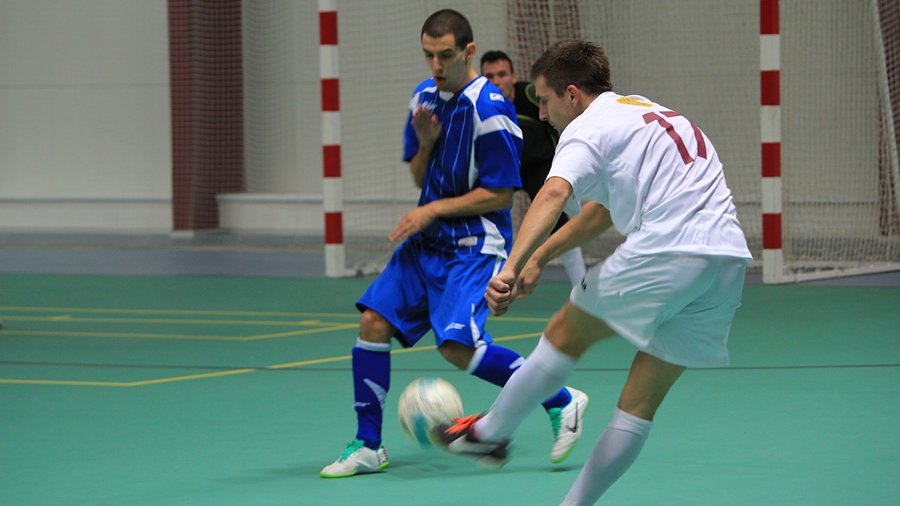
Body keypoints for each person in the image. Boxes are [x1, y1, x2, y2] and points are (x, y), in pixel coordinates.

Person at [434, 39, 753, 505]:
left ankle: (488, 433)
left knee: (566, 332)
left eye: (545, 100)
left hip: (669, 247)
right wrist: (540, 257)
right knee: (638, 405)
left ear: (572, 94)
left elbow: (552, 194)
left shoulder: (587, 127)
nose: (542, 113)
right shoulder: (644, 113)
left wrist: (509, 267)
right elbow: (598, 215)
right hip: (726, 262)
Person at [319, 11, 588, 479]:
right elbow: (419, 177)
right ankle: (368, 445)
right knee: (373, 322)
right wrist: (425, 144)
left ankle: (561, 399)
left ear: (468, 51)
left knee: (458, 346)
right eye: (428, 55)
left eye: (445, 55)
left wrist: (430, 211)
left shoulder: (490, 109)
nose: (436, 65)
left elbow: (500, 194)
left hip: (474, 244)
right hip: (427, 244)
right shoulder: (423, 99)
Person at [480, 50, 587, 287]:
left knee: (562, 220)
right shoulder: (478, 106)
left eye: (502, 74)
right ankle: (488, 282)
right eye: (489, 77)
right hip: (505, 170)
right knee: (482, 218)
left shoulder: (532, 95)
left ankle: (582, 287)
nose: (497, 81)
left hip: (540, 164)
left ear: (513, 76)